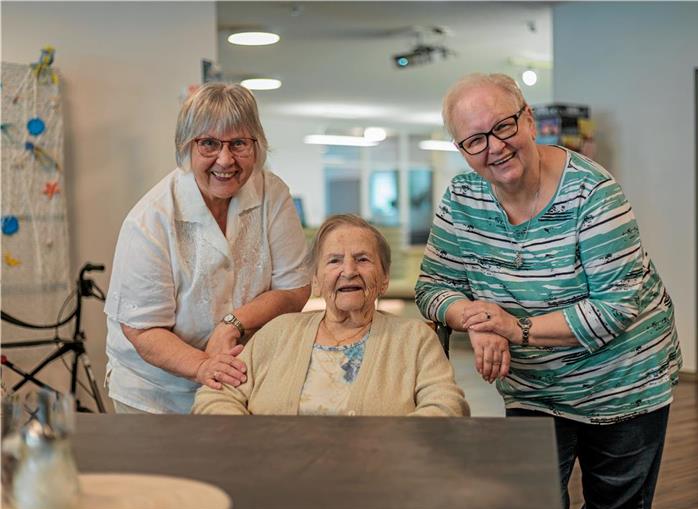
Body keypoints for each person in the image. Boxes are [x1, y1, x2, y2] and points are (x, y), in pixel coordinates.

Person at [415, 73, 681, 509]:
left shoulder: (594, 194)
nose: (495, 147)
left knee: (614, 506)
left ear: (529, 120)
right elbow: (434, 286)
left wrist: (512, 328)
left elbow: (615, 308)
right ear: (461, 150)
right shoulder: (462, 198)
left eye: (503, 126)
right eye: (475, 140)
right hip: (532, 386)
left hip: (623, 380)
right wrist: (476, 321)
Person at [104, 83, 311, 414]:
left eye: (239, 143)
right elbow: (143, 329)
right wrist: (203, 366)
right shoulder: (151, 220)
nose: (225, 159)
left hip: (241, 383)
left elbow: (295, 289)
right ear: (186, 147)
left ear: (257, 146)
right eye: (209, 144)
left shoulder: (272, 194)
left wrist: (233, 323)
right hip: (156, 393)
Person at [193, 215, 469, 417]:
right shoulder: (277, 333)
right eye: (334, 260)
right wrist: (253, 444)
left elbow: (447, 405)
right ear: (316, 280)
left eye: (363, 259)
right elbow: (215, 396)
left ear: (384, 278)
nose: (348, 271)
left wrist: (390, 447)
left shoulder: (414, 339)